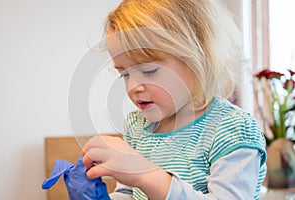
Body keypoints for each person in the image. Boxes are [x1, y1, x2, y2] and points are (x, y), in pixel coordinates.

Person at [82, 0, 267, 199]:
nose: (133, 87)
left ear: (200, 59)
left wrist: (146, 174)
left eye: (148, 70)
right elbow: (130, 193)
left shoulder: (231, 128)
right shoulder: (137, 127)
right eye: (124, 74)